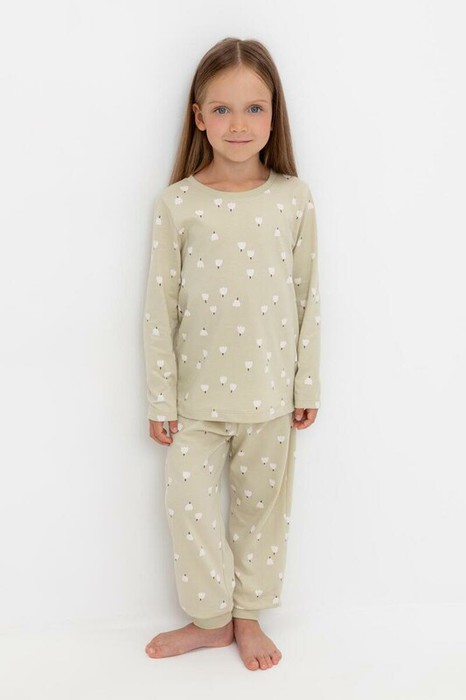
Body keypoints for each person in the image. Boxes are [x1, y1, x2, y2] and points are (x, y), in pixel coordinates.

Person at [142, 36, 321, 671]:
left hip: (270, 395)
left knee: (260, 513)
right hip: (196, 400)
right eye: (221, 109)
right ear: (199, 117)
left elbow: (308, 295)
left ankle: (249, 617)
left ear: (274, 116)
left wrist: (306, 385)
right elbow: (159, 307)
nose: (238, 124)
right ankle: (211, 621)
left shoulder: (293, 198)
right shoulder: (178, 204)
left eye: (254, 108)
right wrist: (161, 398)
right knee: (187, 506)